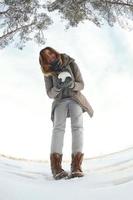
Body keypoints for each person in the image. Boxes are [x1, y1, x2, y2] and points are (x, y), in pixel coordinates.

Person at [39, 46, 94, 180]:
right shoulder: (48, 73)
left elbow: (81, 84)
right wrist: (58, 87)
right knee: (58, 129)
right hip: (60, 101)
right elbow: (50, 94)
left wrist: (71, 85)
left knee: (78, 128)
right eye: (46, 56)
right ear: (44, 60)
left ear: (54, 52)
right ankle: (56, 168)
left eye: (50, 53)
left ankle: (76, 166)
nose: (50, 56)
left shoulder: (70, 63)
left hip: (75, 98)